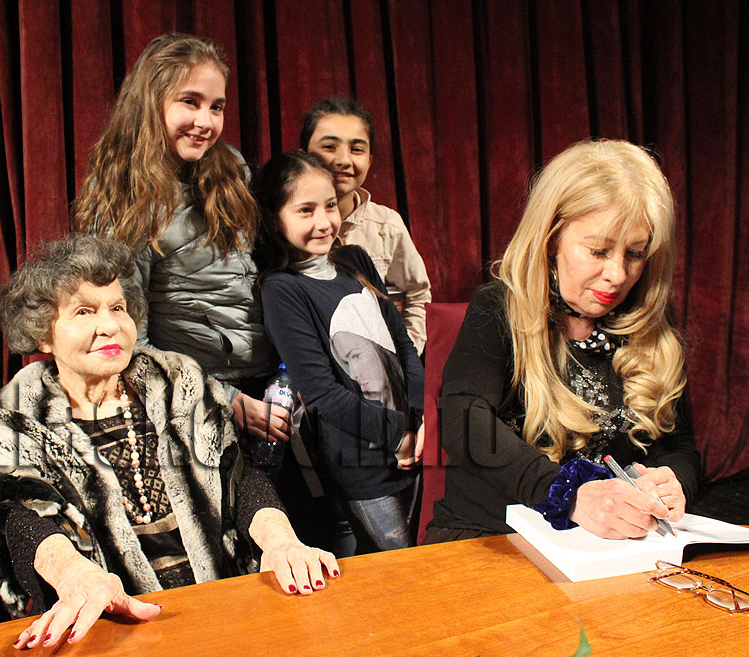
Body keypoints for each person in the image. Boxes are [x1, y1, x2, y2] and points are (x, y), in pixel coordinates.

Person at [0, 235, 338, 650]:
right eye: (84, 311)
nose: (110, 325)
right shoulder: (12, 421)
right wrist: (75, 575)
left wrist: (281, 541)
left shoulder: (181, 383)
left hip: (224, 610)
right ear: (43, 334)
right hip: (114, 626)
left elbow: (238, 476)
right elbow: (24, 514)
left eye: (117, 308)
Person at [424, 139, 700, 544]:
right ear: (552, 237)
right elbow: (463, 422)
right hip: (491, 538)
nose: (618, 274)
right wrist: (566, 494)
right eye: (598, 251)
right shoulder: (499, 307)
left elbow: (679, 446)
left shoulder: (649, 324)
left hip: (608, 547)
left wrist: (673, 481)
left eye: (635, 254)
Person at [72, 33, 289, 450]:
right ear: (151, 102)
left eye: (216, 107)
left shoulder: (232, 169)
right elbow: (127, 343)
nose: (205, 122)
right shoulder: (124, 197)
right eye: (190, 102)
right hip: (195, 401)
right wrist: (227, 401)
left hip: (269, 384)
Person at [254, 151, 425, 554]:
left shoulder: (355, 260)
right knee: (399, 567)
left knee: (425, 553)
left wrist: (419, 421)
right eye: (305, 210)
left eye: (329, 206)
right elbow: (323, 395)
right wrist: (396, 435)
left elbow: (403, 346)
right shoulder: (282, 289)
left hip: (412, 442)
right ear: (274, 219)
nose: (323, 221)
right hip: (361, 463)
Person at [301, 98, 431, 354]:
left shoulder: (387, 226)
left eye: (357, 149)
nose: (344, 160)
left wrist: (404, 358)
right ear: (303, 154)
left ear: (370, 161)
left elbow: (416, 295)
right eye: (329, 146)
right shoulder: (282, 223)